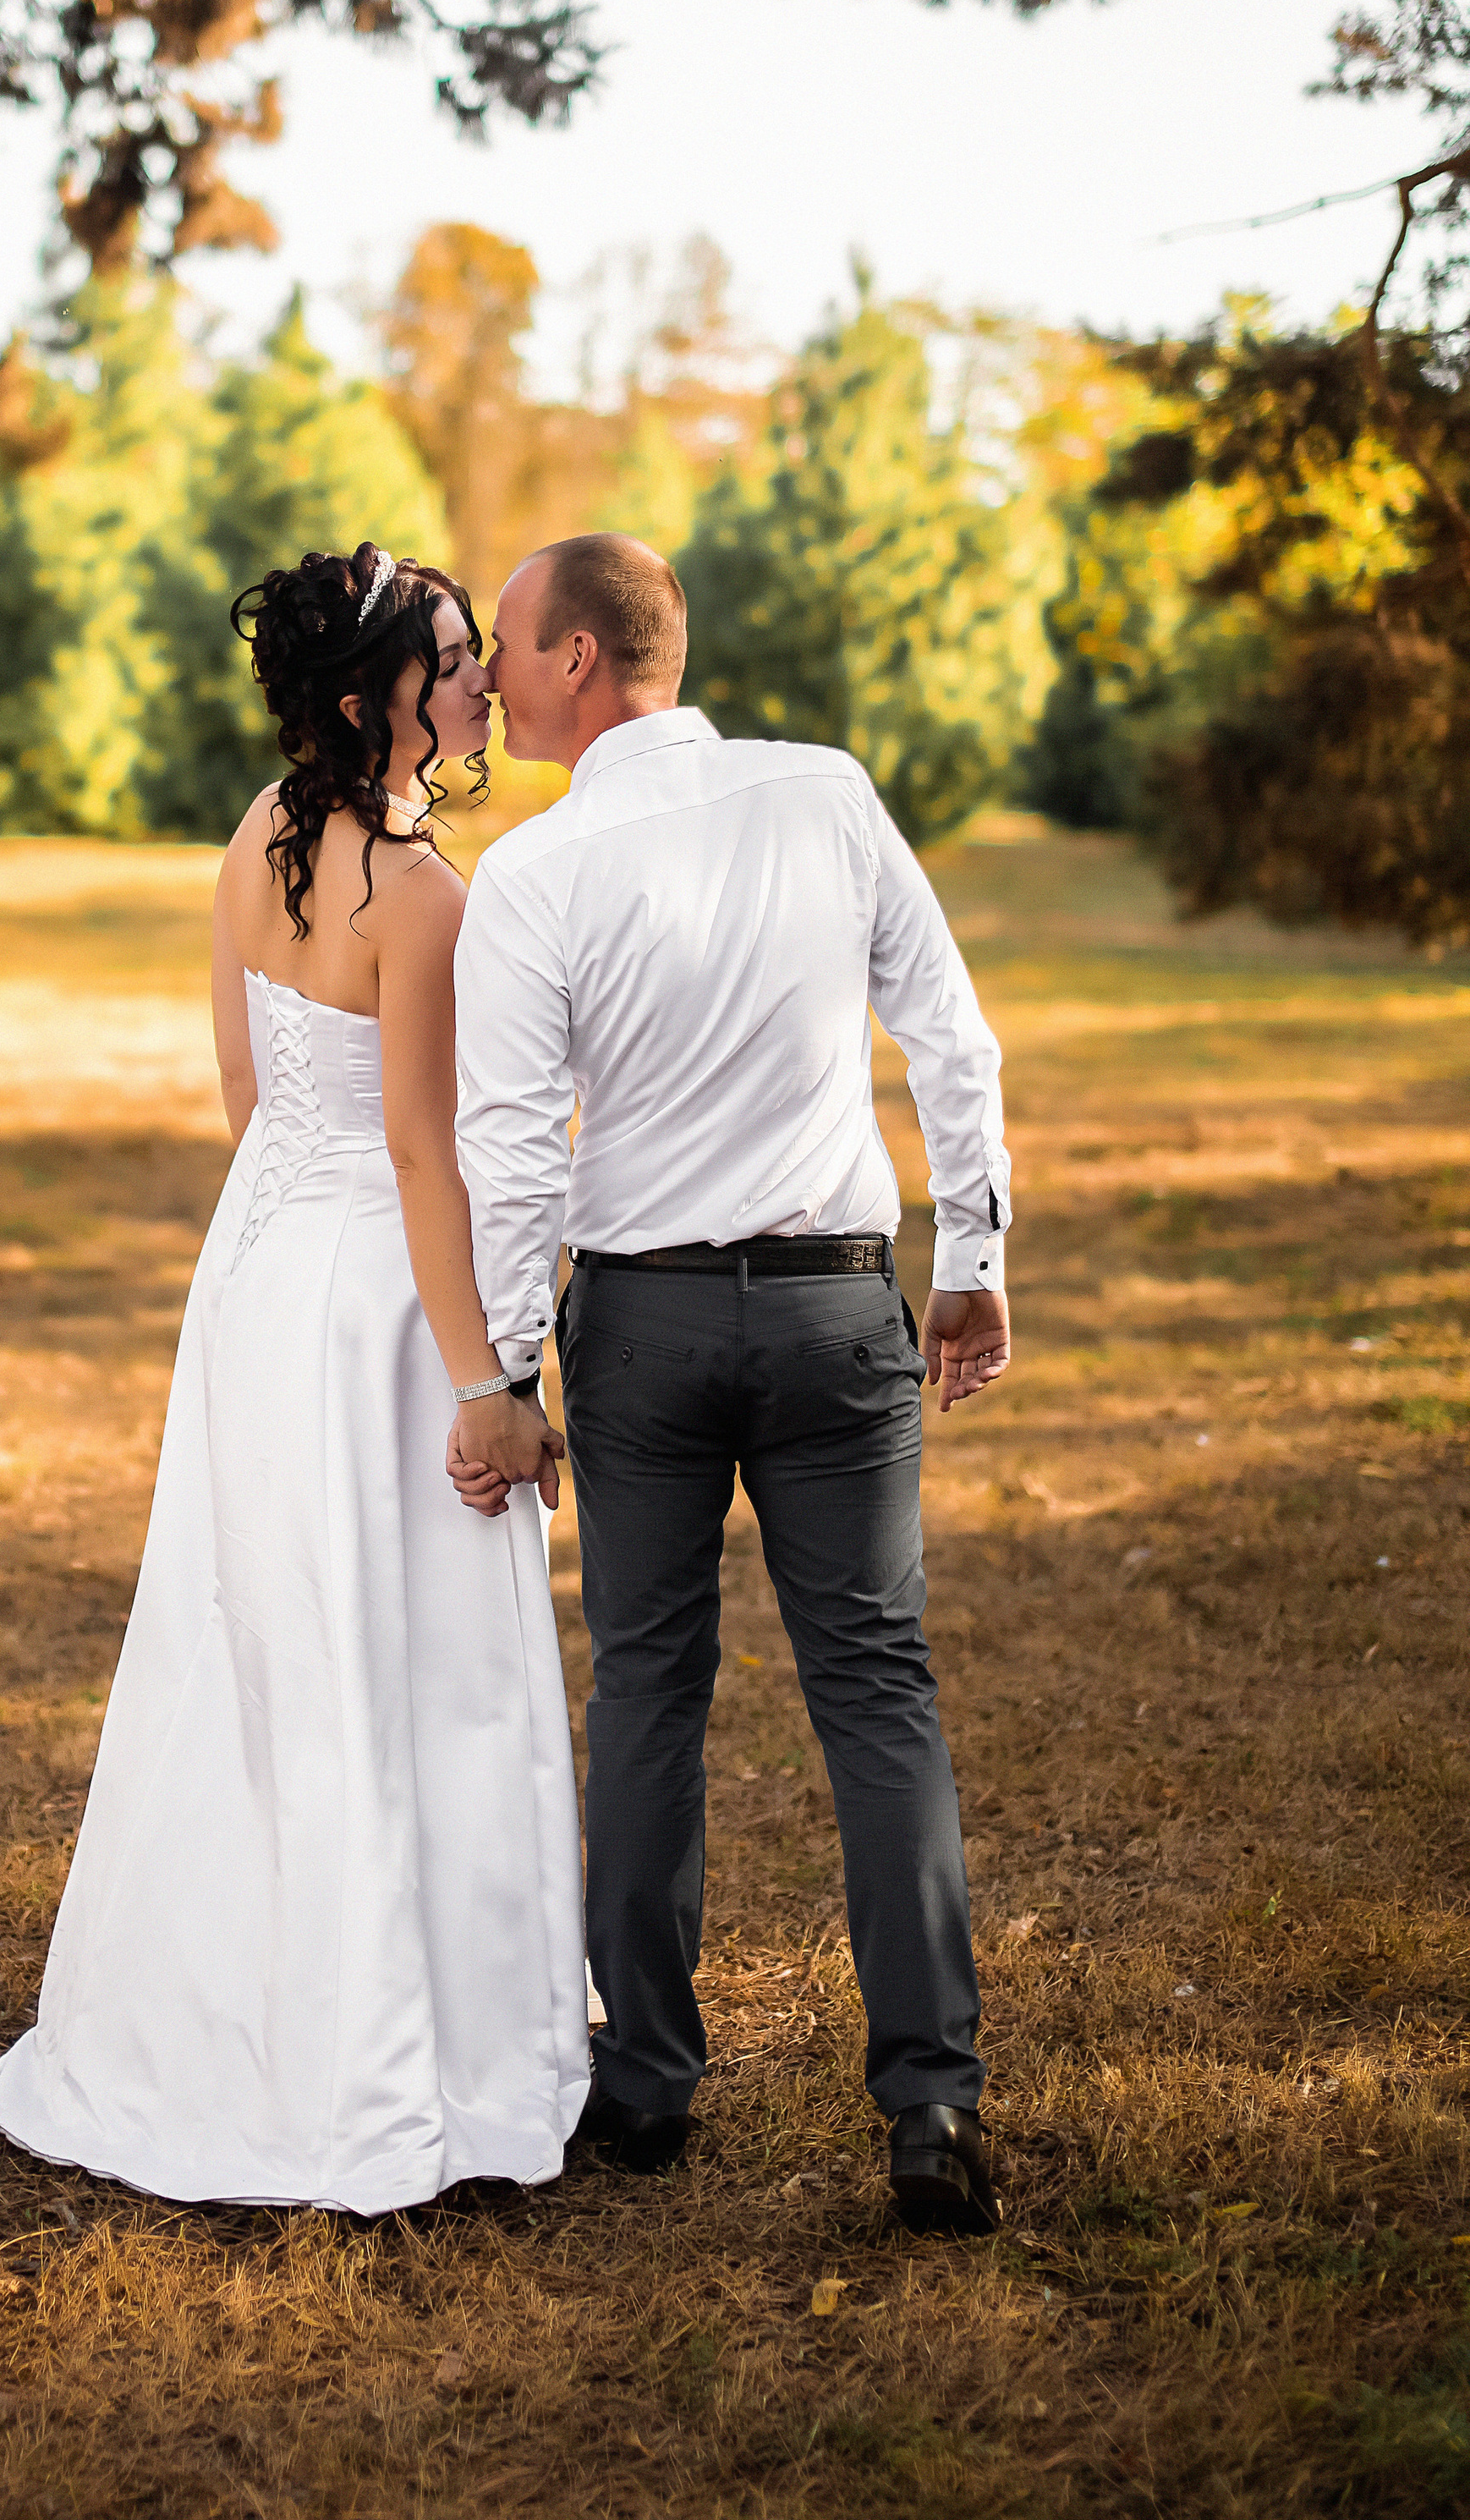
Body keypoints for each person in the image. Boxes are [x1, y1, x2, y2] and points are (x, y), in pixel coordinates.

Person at [0, 543, 590, 2212]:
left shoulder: (259, 832)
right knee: (416, 1665)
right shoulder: (428, 903)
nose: (476, 682)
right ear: (367, 697)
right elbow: (424, 1157)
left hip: (254, 1281)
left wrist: (284, 1261)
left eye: (475, 654)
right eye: (451, 660)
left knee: (255, 1640)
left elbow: (248, 1091)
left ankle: (224, 2013)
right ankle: (415, 2059)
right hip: (384, 1314)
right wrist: (486, 1382)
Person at [447, 532, 1012, 2235]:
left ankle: (645, 2091)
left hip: (643, 1335)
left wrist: (503, 1366)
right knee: (876, 1694)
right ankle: (929, 2110)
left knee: (646, 1697)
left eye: (501, 646)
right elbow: (953, 1037)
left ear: (573, 661)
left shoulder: (534, 878)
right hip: (841, 1317)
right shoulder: (823, 793)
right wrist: (973, 1264)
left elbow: (505, 1148)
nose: (483, 675)